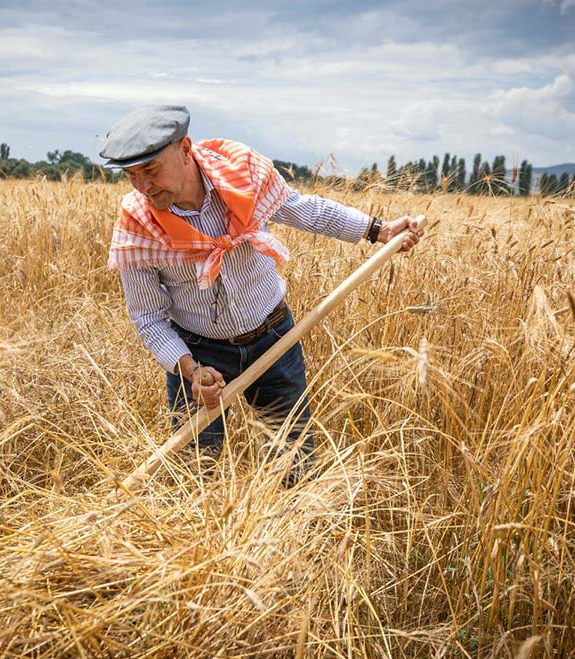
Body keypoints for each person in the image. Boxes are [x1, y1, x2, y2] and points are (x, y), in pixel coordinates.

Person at [101, 105, 422, 486]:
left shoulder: (241, 175)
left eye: (151, 170)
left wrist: (377, 230)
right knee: (192, 472)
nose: (143, 186)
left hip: (273, 341)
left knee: (294, 466)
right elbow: (148, 318)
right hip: (199, 354)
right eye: (131, 176)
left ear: (185, 148)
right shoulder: (138, 223)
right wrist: (191, 370)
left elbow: (304, 210)